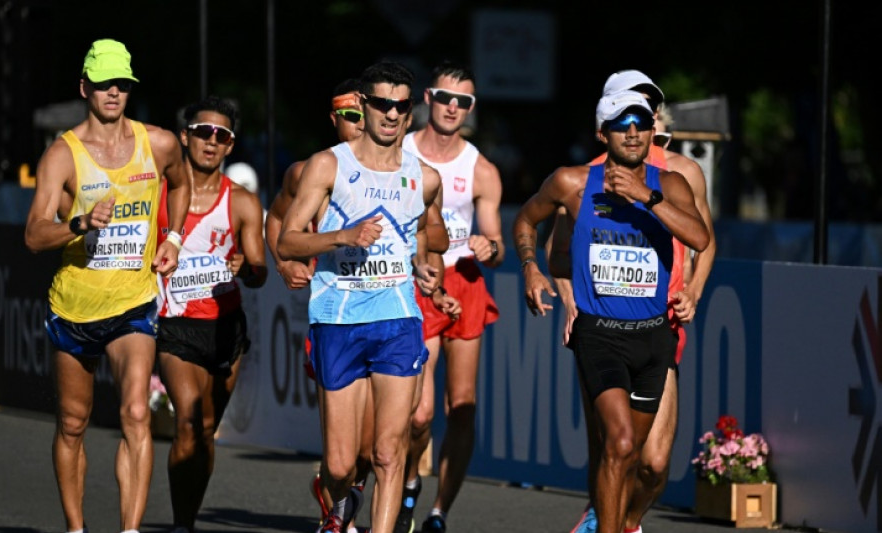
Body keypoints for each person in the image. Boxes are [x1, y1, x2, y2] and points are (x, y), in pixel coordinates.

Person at [514, 90, 709, 533]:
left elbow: (700, 237)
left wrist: (646, 196)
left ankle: (622, 524)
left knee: (634, 458)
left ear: (653, 129)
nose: (634, 132)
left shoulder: (669, 183)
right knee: (618, 443)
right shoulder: (573, 182)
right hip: (599, 333)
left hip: (654, 337)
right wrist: (529, 268)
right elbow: (525, 220)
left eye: (641, 122)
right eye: (622, 124)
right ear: (603, 133)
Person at [23, 39, 190, 533]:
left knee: (137, 411)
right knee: (73, 423)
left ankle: (130, 530)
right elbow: (33, 234)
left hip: (133, 302)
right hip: (74, 306)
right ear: (85, 88)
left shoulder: (157, 143)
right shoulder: (63, 154)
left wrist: (175, 238)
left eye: (122, 83)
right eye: (103, 84)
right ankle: (76, 528)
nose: (113, 92)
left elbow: (180, 183)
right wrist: (78, 225)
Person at [277, 60, 441, 533]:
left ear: (411, 114)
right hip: (338, 319)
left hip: (398, 321)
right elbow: (288, 241)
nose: (391, 114)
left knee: (389, 452)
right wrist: (340, 237)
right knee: (342, 463)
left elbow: (421, 242)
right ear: (364, 107)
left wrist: (425, 271)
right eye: (382, 104)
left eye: (401, 106)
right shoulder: (329, 165)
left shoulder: (424, 178)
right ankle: (335, 509)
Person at [396, 60, 504, 533]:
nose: (453, 107)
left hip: (464, 280)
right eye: (445, 98)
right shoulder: (396, 150)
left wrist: (489, 246)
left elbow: (497, 244)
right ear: (427, 100)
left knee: (461, 404)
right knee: (418, 414)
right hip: (416, 280)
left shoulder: (481, 169)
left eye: (463, 101)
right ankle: (407, 483)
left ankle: (439, 511)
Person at [156, 95, 267, 533]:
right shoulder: (159, 194)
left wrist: (248, 267)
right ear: (185, 136)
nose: (211, 141)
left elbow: (259, 271)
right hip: (175, 326)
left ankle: (189, 517)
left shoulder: (241, 202)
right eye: (203, 131)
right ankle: (182, 524)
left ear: (230, 146)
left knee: (205, 429)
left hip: (225, 328)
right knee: (186, 418)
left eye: (221, 136)